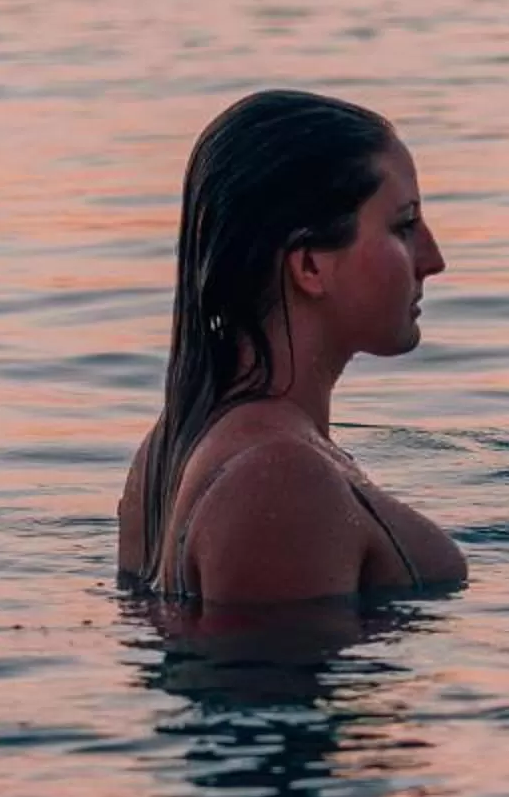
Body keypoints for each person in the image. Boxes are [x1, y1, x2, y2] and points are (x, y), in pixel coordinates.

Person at [119, 90, 468, 616]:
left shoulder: (171, 448)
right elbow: (268, 689)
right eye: (402, 226)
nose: (433, 259)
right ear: (309, 267)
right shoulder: (280, 478)